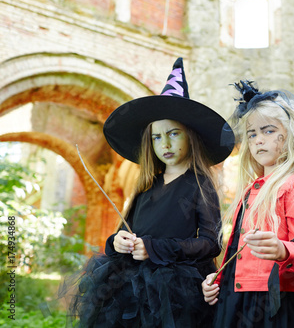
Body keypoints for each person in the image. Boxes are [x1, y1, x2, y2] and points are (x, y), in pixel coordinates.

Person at [64, 57, 235, 327]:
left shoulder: (199, 184)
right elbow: (125, 229)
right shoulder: (146, 186)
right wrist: (118, 242)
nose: (164, 143)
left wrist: (154, 248)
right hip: (129, 288)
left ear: (190, 137)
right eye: (157, 137)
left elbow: (211, 243)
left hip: (177, 293)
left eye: (174, 133)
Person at [201, 81, 294, 327]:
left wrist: (283, 250)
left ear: (290, 135)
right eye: (252, 134)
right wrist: (220, 277)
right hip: (235, 299)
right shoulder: (248, 189)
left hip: (277, 301)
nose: (258, 140)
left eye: (268, 131)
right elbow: (237, 249)